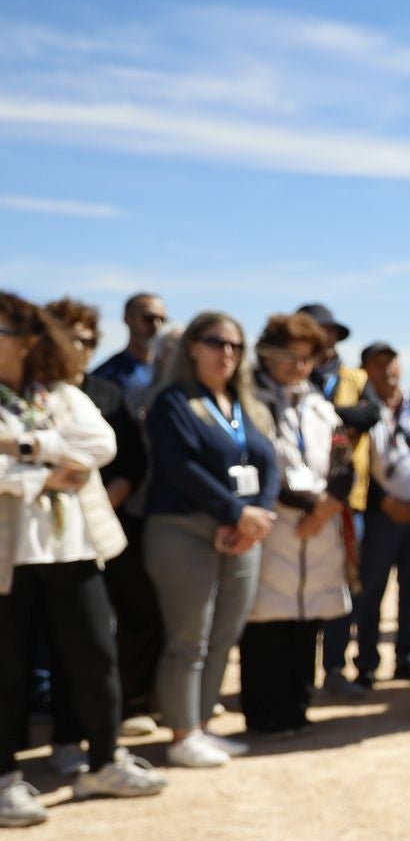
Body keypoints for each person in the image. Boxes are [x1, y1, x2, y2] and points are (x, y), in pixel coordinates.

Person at [0, 292, 167, 827]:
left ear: (28, 342)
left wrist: (23, 450)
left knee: (96, 654)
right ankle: (4, 780)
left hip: (72, 549)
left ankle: (103, 762)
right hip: (10, 558)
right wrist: (45, 471)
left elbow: (100, 445)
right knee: (8, 668)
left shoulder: (60, 394)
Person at [142, 311, 279, 768]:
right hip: (184, 530)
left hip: (242, 534)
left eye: (236, 345)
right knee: (189, 638)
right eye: (216, 342)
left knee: (225, 634)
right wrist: (234, 512)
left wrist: (256, 517)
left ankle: (201, 725)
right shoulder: (172, 403)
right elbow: (180, 467)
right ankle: (182, 735)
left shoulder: (246, 403)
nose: (227, 353)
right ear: (191, 348)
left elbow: (268, 463)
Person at [40, 298, 156, 769]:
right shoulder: (31, 396)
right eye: (71, 338)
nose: (80, 347)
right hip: (52, 540)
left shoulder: (107, 393)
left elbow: (131, 459)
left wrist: (103, 500)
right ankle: (66, 737)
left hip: (110, 531)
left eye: (88, 340)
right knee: (65, 641)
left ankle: (122, 720)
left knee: (119, 628)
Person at [238, 314, 354, 738]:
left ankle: (298, 707)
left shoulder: (319, 405)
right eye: (289, 356)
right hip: (274, 526)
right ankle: (265, 716)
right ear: (267, 354)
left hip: (318, 531)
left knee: (307, 623)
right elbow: (260, 462)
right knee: (267, 625)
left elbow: (343, 460)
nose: (298, 366)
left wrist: (326, 508)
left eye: (307, 358)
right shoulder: (248, 401)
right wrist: (308, 505)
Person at [296, 302, 374, 701]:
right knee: (298, 585)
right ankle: (300, 676)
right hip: (298, 500)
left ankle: (335, 668)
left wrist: (323, 412)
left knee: (345, 587)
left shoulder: (355, 377)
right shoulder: (293, 376)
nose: (320, 337)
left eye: (326, 330)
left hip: (347, 501)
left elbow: (369, 414)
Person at [352, 343, 410, 684]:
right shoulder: (363, 411)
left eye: (391, 362)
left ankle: (409, 655)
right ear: (365, 371)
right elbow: (356, 463)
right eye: (377, 363)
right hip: (380, 515)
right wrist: (383, 501)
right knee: (372, 590)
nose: (386, 369)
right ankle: (367, 662)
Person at [91, 292, 168, 411]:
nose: (157, 325)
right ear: (128, 319)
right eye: (149, 318)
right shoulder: (106, 375)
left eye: (163, 319)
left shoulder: (170, 369)